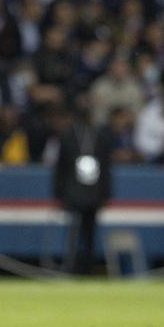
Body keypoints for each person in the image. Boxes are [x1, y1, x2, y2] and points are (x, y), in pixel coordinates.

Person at [54, 107, 114, 274]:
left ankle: (87, 266)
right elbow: (61, 167)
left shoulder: (99, 137)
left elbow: (106, 167)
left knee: (90, 232)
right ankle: (71, 264)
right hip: (74, 191)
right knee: (73, 231)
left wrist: (105, 193)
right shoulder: (69, 137)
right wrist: (60, 193)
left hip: (93, 192)